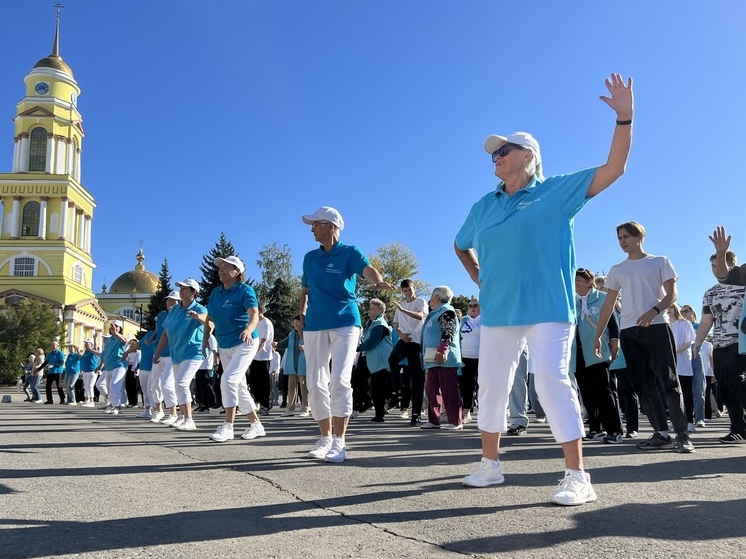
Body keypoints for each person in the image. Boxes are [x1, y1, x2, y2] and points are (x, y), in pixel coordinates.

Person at [455, 73, 633, 505]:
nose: (496, 156)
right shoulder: (484, 204)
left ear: (529, 156)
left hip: (550, 307)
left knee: (552, 381)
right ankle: (490, 465)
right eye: (494, 152)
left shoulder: (557, 191)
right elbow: (461, 244)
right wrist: (479, 276)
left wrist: (625, 118)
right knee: (493, 385)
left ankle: (578, 476)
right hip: (499, 310)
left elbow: (614, 169)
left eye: (504, 150)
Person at [300, 206, 394, 463]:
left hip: (345, 322)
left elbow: (368, 269)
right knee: (315, 381)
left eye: (316, 224)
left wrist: (377, 281)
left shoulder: (350, 252)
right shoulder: (309, 258)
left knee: (339, 380)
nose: (312, 229)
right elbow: (304, 290)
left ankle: (340, 442)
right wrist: (301, 317)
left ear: (331, 226)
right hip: (315, 325)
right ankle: (325, 438)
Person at [594, 222, 693, 453]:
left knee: (668, 382)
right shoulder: (617, 269)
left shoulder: (660, 261)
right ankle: (660, 433)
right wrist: (599, 335)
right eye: (619, 237)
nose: (622, 241)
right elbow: (608, 305)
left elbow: (672, 294)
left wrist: (654, 311)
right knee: (642, 385)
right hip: (629, 331)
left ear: (640, 236)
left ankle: (682, 435)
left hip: (657, 326)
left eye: (626, 236)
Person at [202, 255, 266, 443]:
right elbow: (209, 318)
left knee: (228, 380)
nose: (221, 269)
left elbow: (254, 314)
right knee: (237, 385)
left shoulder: (245, 290)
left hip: (245, 342)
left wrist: (248, 329)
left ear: (237, 272)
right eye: (219, 267)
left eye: (226, 267)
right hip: (224, 344)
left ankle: (228, 426)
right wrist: (206, 339)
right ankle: (256, 425)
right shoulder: (215, 293)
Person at [693, 242, 746, 443]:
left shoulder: (743, 286)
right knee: (725, 387)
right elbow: (707, 320)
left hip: (741, 342)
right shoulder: (710, 293)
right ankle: (738, 428)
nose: (716, 270)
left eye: (719, 265)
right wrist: (697, 344)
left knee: (738, 380)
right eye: (713, 266)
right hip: (719, 344)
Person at [572, 268, 623, 444]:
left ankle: (614, 430)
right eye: (575, 280)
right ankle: (595, 428)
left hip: (598, 351)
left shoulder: (601, 298)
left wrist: (615, 342)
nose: (577, 283)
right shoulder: (573, 302)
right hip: (578, 352)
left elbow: (613, 323)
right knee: (586, 391)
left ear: (589, 281)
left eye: (579, 280)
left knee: (603, 390)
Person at [154, 278, 207, 431]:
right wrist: (157, 352)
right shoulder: (175, 310)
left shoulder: (199, 308)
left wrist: (198, 317)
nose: (182, 291)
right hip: (176, 353)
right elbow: (165, 333)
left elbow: (208, 321)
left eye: (185, 288)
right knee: (178, 386)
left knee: (182, 383)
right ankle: (183, 417)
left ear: (194, 292)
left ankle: (189, 419)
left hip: (193, 352)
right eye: (181, 288)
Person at [420, 286, 463, 430]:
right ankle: (434, 420)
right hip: (431, 359)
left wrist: (442, 349)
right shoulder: (435, 313)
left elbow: (448, 330)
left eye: (431, 296)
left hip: (444, 358)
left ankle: (456, 421)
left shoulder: (446, 311)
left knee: (449, 390)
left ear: (437, 297)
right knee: (432, 390)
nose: (429, 300)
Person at [388, 279, 428, 425]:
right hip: (404, 340)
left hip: (416, 342)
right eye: (405, 291)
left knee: (416, 379)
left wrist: (404, 310)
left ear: (414, 288)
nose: (407, 293)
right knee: (392, 359)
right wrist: (401, 335)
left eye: (409, 290)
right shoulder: (401, 305)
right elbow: (397, 326)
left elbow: (420, 316)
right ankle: (396, 392)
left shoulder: (420, 302)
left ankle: (416, 414)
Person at [357, 299, 394, 423]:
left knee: (378, 387)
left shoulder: (380, 324)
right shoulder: (372, 324)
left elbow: (373, 341)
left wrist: (358, 347)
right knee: (366, 383)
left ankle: (379, 414)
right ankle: (371, 405)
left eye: (372, 308)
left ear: (380, 310)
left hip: (381, 361)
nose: (369, 310)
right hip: (374, 360)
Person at [150, 291, 180, 425]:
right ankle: (158, 410)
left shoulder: (180, 314)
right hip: (159, 353)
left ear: (178, 302)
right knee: (154, 383)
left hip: (172, 355)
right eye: (169, 300)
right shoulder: (161, 315)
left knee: (167, 384)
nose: (170, 303)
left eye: (173, 301)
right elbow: (159, 331)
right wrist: (151, 340)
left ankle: (173, 413)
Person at [666, 304, 697, 432]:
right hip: (669, 366)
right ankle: (676, 421)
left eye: (671, 307)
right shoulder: (664, 325)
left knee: (686, 395)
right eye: (667, 308)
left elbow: (689, 341)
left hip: (683, 365)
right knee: (672, 395)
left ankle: (689, 421)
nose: (668, 310)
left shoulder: (684, 324)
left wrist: (675, 351)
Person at [277, 316, 309, 417]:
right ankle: (290, 409)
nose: (295, 324)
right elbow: (284, 343)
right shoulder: (291, 334)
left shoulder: (306, 333)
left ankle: (305, 408)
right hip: (292, 365)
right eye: (294, 322)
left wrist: (305, 348)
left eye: (297, 322)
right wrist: (276, 344)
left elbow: (312, 345)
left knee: (304, 387)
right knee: (291, 387)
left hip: (302, 364)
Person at [680, 304, 706, 428]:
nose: (683, 313)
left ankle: (699, 418)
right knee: (685, 390)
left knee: (698, 388)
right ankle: (684, 418)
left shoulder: (697, 326)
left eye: (686, 311)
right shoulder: (680, 326)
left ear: (692, 312)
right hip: (684, 359)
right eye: (681, 311)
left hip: (695, 357)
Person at [249, 304, 274, 415]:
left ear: (261, 311)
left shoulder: (266, 323)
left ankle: (265, 404)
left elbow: (263, 341)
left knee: (263, 383)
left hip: (263, 357)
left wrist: (254, 353)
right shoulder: (254, 322)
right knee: (253, 381)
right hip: (254, 358)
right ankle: (257, 402)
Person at [459, 298, 481, 425]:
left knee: (481, 386)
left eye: (476, 305)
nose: (473, 307)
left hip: (481, 357)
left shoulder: (484, 319)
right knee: (466, 386)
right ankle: (466, 412)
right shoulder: (464, 320)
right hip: (465, 356)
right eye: (470, 305)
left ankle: (483, 413)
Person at [98, 321, 128, 414]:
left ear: (119, 328)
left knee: (114, 384)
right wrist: (101, 365)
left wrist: (116, 333)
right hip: (109, 367)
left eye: (116, 326)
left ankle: (117, 406)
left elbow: (125, 340)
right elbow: (105, 354)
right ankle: (112, 405)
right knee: (109, 386)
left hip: (119, 365)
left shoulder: (120, 339)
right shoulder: (108, 340)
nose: (113, 328)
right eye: (112, 326)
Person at [195, 332, 218, 413]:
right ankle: (201, 403)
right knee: (199, 386)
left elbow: (214, 351)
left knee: (205, 385)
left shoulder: (210, 337)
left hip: (206, 365)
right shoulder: (200, 335)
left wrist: (215, 363)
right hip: (198, 365)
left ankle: (209, 403)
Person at [124, 339, 141, 407]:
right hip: (128, 367)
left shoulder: (138, 352)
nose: (131, 346)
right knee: (128, 385)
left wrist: (136, 370)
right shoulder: (128, 353)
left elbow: (138, 361)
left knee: (134, 385)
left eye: (133, 344)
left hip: (134, 368)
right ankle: (130, 401)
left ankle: (134, 402)